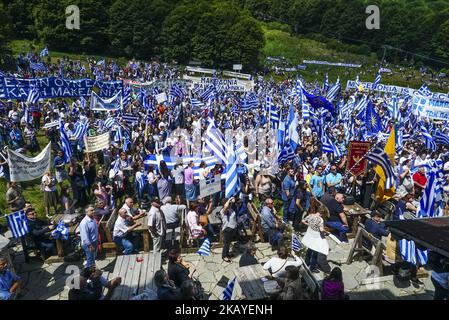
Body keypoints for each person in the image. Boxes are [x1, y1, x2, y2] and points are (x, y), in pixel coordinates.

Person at [301, 206, 331, 273]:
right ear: (322, 213)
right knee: (315, 252)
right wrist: (327, 232)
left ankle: (307, 262)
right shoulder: (320, 219)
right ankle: (313, 268)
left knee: (309, 249)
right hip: (316, 237)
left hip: (309, 235)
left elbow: (303, 221)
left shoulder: (310, 215)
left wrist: (309, 224)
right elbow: (321, 230)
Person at [220, 197, 238, 262]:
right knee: (226, 243)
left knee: (229, 242)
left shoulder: (230, 209)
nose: (230, 203)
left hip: (232, 228)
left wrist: (232, 199)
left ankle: (227, 254)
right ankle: (224, 256)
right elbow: (226, 206)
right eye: (229, 203)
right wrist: (229, 200)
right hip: (227, 229)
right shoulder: (223, 211)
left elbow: (233, 201)